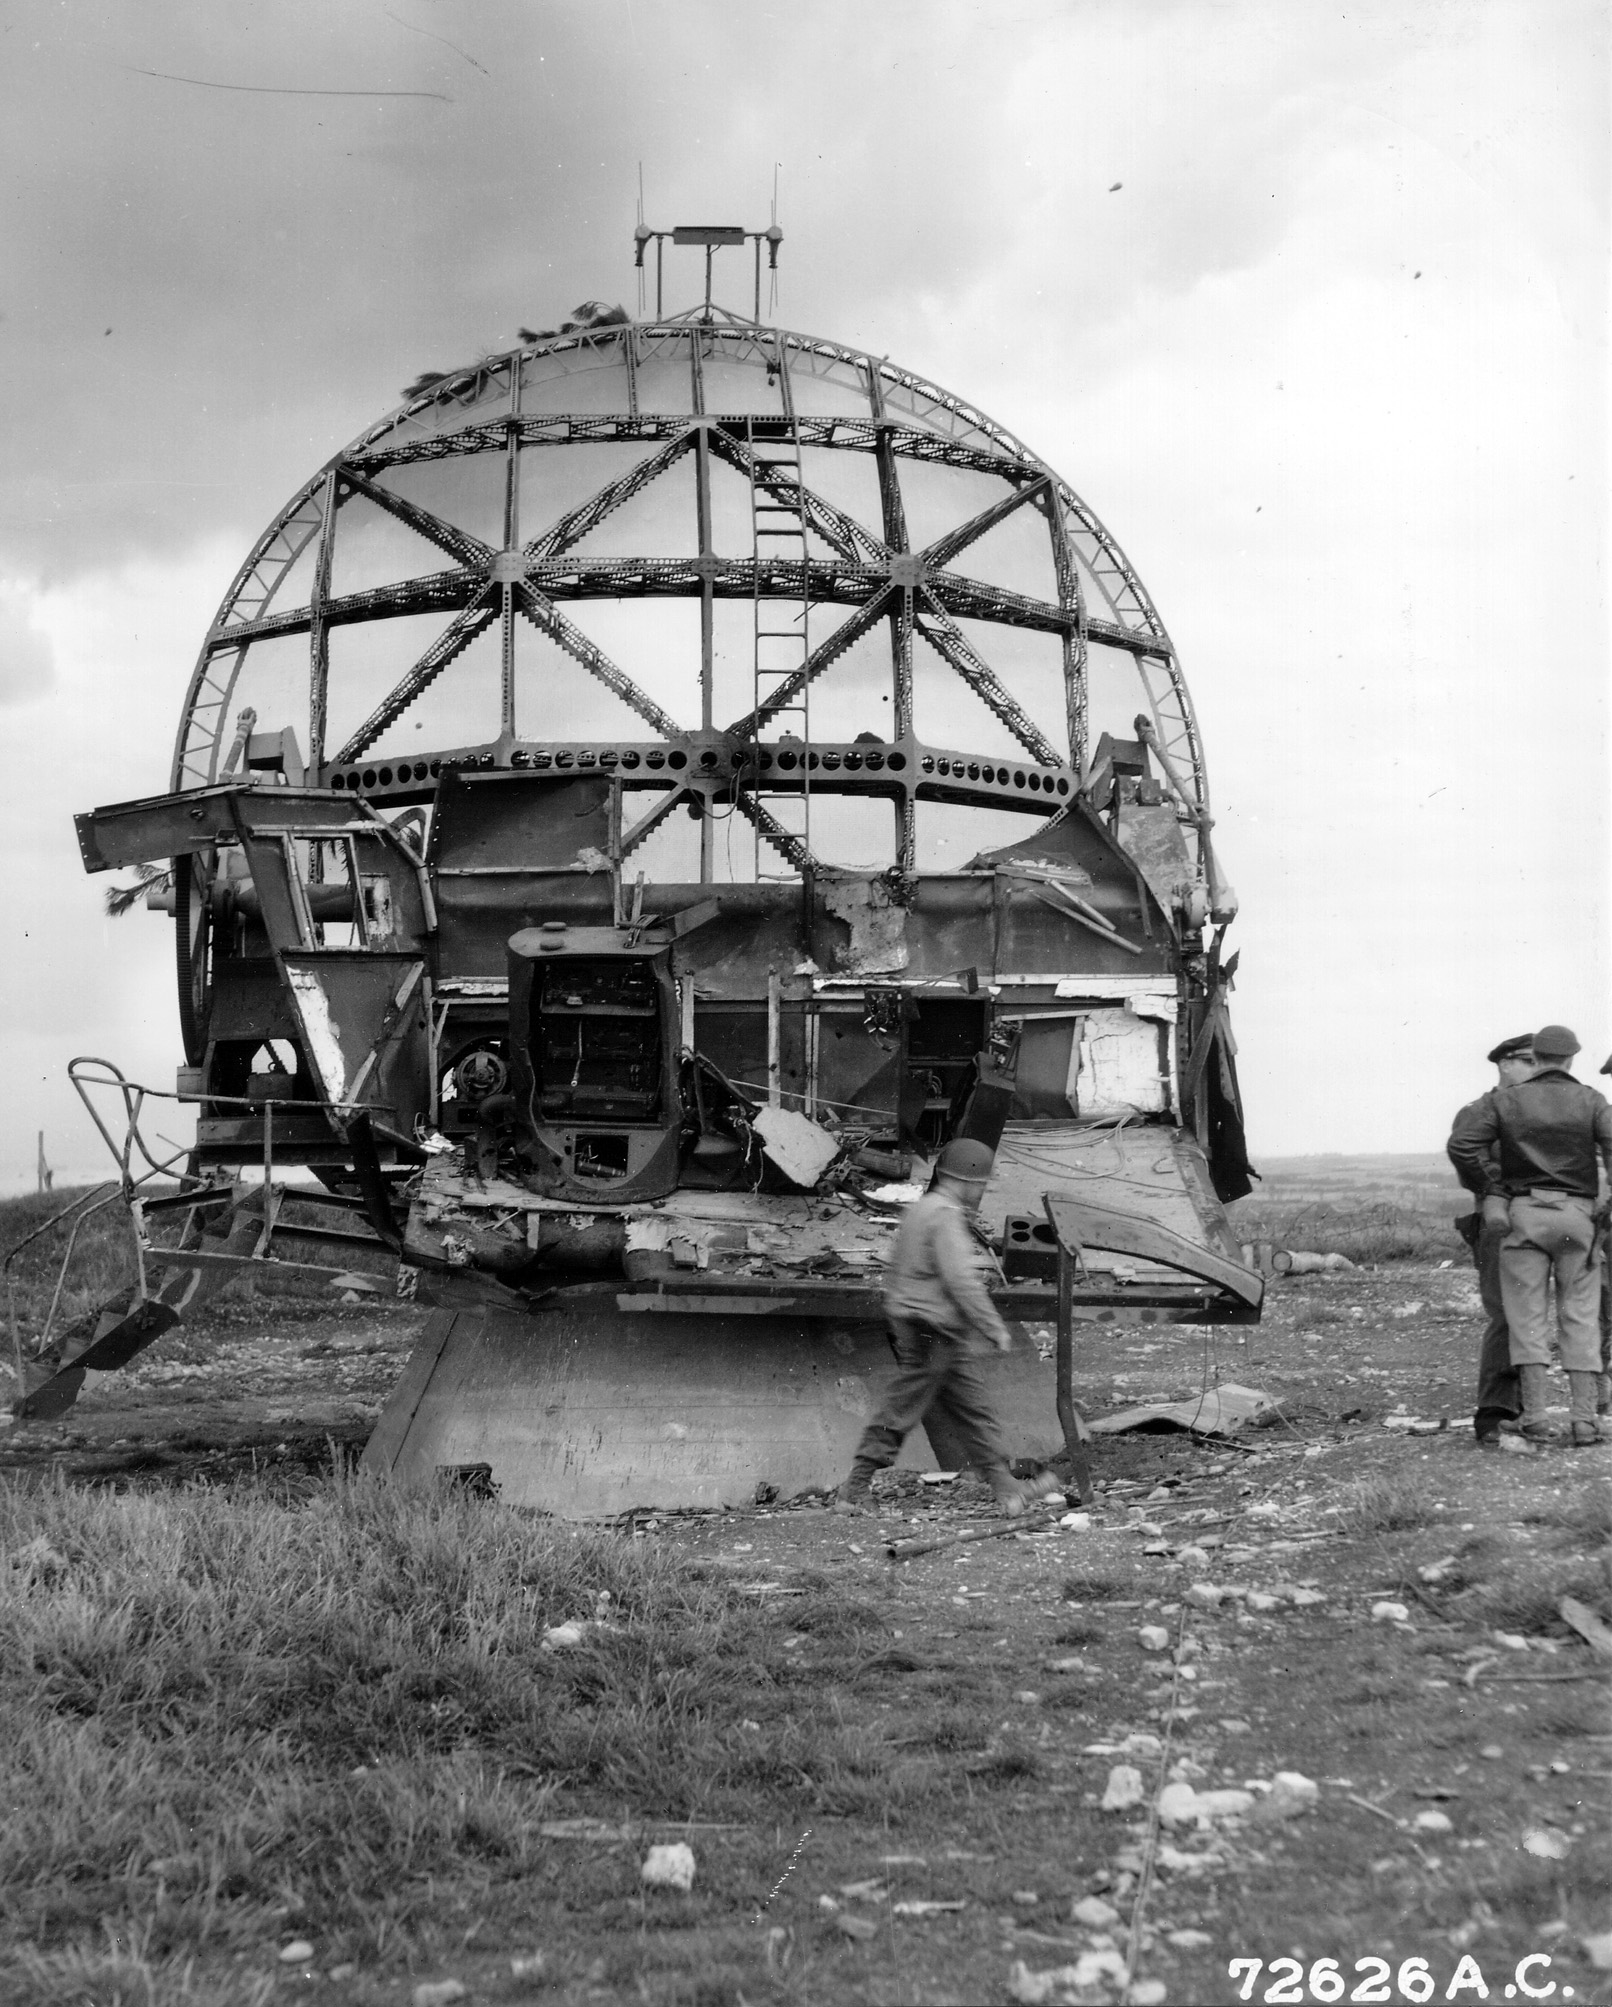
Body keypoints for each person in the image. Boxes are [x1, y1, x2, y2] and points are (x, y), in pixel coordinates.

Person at [835, 1137, 1053, 1515]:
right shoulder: (946, 1216)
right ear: (969, 1180)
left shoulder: (922, 1209)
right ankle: (854, 1490)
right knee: (904, 1408)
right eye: (983, 1183)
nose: (983, 1190)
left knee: (971, 1406)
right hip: (931, 1327)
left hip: (928, 1324)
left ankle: (1006, 1488)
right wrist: (993, 1326)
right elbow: (961, 1281)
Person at [1448, 1025, 1612, 1447]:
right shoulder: (1593, 1100)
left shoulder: (1501, 1102)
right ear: (1572, 1058)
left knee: (1525, 1319)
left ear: (1536, 1057)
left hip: (1521, 1216)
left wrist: (1494, 1189)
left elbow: (1463, 1145)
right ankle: (1584, 1421)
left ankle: (1535, 1418)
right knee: (1581, 1315)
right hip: (1578, 1216)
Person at [1447, 1035, 1536, 1450]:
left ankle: (1532, 1409)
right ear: (1505, 1064)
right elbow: (1467, 1158)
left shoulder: (1542, 1111)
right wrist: (1500, 1189)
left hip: (1542, 1220)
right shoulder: (1479, 1112)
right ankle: (1495, 1411)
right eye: (1528, 1061)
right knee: (1506, 1314)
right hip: (1498, 1222)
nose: (1538, 1069)